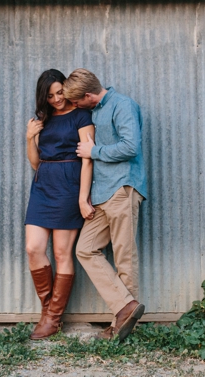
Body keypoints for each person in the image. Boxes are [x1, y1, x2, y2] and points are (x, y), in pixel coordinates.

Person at [63, 68, 148, 341]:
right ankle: (125, 306)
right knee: (85, 249)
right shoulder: (96, 111)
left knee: (124, 257)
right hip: (102, 195)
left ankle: (121, 328)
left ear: (88, 95)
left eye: (76, 102)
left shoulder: (122, 105)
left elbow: (130, 146)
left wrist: (93, 151)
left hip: (122, 188)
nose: (75, 107)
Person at [24, 69, 95, 340]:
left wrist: (82, 197)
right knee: (34, 248)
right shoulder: (44, 118)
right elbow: (34, 162)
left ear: (66, 87)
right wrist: (30, 136)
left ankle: (52, 319)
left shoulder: (81, 116)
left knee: (63, 253)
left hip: (69, 185)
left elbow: (88, 158)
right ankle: (48, 313)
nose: (56, 99)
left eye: (59, 92)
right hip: (43, 185)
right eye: (50, 95)